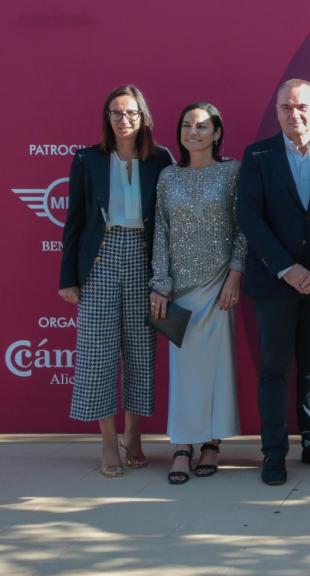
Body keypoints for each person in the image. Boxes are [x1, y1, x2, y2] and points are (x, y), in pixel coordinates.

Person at [59, 85, 174, 478]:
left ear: (143, 117)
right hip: (101, 260)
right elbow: (74, 220)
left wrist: (165, 277)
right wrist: (69, 277)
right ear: (106, 118)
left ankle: (134, 437)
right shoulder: (88, 159)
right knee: (96, 355)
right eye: (115, 113)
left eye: (130, 113)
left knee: (142, 353)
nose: (122, 120)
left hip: (144, 261)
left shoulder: (161, 160)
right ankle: (108, 444)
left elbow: (169, 223)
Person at [237, 79, 310, 485]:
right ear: (276, 111)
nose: (293, 114)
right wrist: (287, 268)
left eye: (302, 107)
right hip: (275, 284)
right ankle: (274, 452)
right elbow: (250, 218)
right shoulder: (257, 155)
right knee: (274, 369)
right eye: (285, 108)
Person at [150, 102, 245, 484]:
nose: (194, 132)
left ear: (217, 133)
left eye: (203, 126)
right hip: (179, 291)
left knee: (218, 370)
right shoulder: (168, 177)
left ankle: (212, 444)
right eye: (187, 124)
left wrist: (235, 275)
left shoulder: (232, 172)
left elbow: (243, 228)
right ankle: (182, 447)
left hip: (219, 286)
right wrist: (160, 283)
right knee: (184, 373)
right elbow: (161, 231)